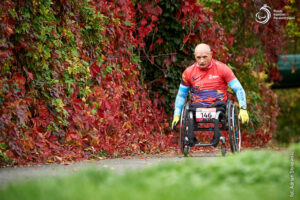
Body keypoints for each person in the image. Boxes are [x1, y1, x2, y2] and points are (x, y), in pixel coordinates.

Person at [171, 43, 249, 146]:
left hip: (218, 104)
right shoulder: (188, 72)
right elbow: (181, 95)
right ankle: (190, 140)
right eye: (198, 57)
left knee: (218, 111)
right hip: (198, 105)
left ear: (211, 55)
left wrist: (243, 108)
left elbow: (238, 89)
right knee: (189, 113)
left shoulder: (223, 68)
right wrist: (177, 114)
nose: (202, 61)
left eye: (205, 57)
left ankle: (216, 139)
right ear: (194, 56)